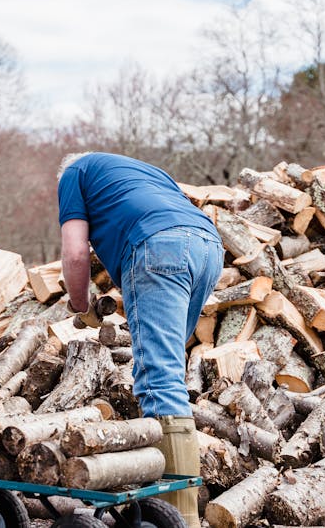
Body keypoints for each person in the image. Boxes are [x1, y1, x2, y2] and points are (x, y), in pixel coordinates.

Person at [56, 152, 224, 528]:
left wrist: (80, 304)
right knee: (168, 371)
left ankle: (179, 517)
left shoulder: (73, 174)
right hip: (208, 247)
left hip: (158, 247)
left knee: (158, 378)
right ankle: (170, 503)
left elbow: (75, 251)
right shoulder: (144, 171)